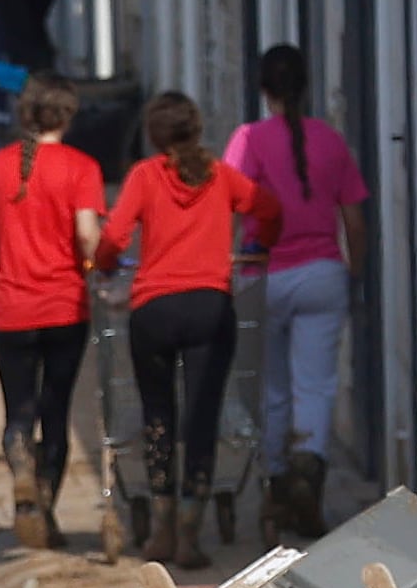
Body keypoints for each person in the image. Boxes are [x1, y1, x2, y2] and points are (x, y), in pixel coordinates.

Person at [95, 93, 275, 555]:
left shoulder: (144, 175)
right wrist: (259, 243)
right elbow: (268, 207)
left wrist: (107, 264)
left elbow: (114, 235)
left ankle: (162, 526)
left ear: (154, 135)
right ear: (196, 130)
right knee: (201, 415)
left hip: (153, 311)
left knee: (158, 414)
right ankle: (193, 528)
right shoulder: (220, 175)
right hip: (209, 311)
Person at [226, 45, 369, 540]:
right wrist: (355, 274)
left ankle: (276, 482)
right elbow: (353, 219)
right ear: (305, 86)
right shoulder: (330, 141)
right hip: (322, 275)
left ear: (264, 91)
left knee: (271, 388)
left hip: (262, 274)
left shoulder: (248, 140)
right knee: (316, 384)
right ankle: (310, 468)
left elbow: (227, 203)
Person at [0, 80, 105, 551]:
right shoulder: (82, 168)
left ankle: (21, 472)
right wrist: (102, 261)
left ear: (25, 116)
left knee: (18, 411)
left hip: (10, 308)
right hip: (64, 307)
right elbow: (88, 235)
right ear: (67, 117)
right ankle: (44, 510)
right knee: (56, 412)